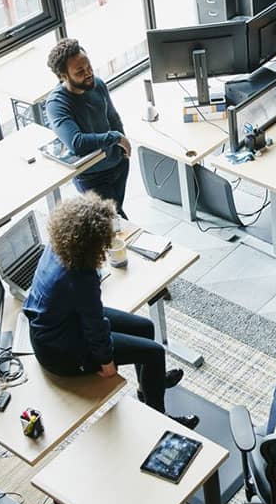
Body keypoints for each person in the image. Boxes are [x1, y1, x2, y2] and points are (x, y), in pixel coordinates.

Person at [24, 194, 198, 429]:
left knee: (145, 327)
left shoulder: (59, 246)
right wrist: (105, 362)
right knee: (154, 353)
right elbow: (95, 327)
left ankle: (147, 388)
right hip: (60, 351)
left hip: (61, 321)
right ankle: (158, 418)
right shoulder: (81, 276)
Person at [44, 39, 131, 217]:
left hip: (117, 164)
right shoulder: (57, 104)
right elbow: (77, 142)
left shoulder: (97, 84)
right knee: (117, 222)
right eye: (80, 72)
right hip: (92, 176)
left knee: (115, 218)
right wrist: (116, 138)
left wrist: (122, 146)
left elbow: (112, 117)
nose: (89, 73)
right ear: (63, 76)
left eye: (89, 66)